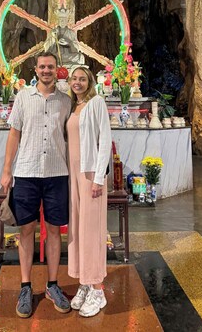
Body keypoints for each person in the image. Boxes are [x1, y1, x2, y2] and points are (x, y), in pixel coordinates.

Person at [0, 52, 72, 318]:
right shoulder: (23, 97)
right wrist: (7, 170)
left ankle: (53, 285)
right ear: (35, 69)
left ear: (57, 70)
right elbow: (14, 132)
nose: (46, 70)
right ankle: (26, 286)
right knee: (26, 230)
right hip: (27, 172)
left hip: (56, 173)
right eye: (42, 66)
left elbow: (71, 136)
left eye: (50, 67)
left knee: (54, 231)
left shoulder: (65, 102)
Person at [67, 65, 112, 317]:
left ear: (90, 82)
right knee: (78, 230)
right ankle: (84, 281)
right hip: (73, 176)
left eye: (82, 79)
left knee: (92, 230)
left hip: (90, 175)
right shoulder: (73, 107)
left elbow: (104, 140)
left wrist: (98, 178)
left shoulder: (97, 103)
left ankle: (98, 290)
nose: (77, 82)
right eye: (74, 78)